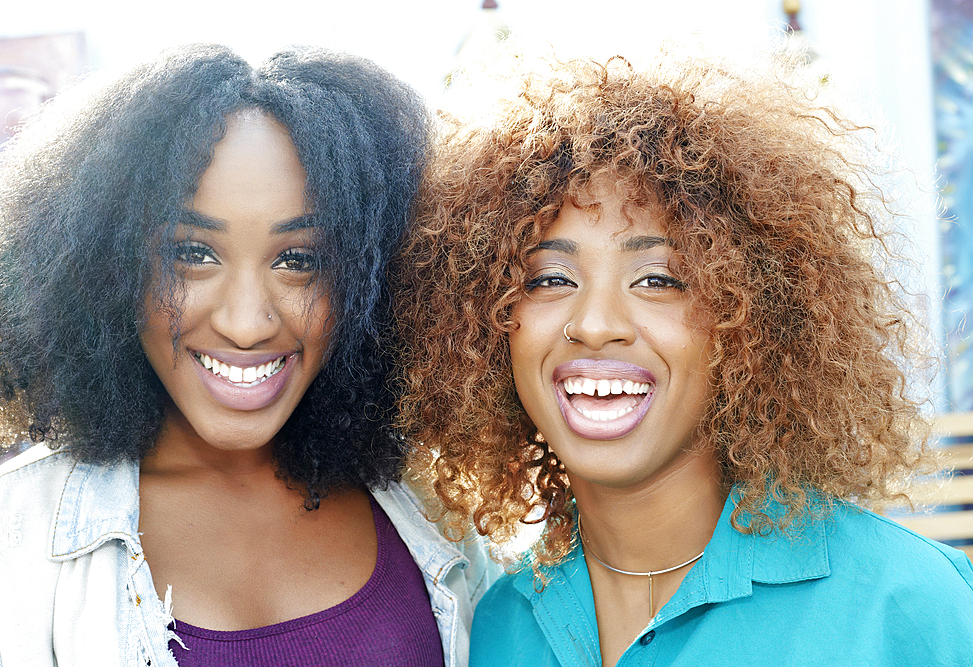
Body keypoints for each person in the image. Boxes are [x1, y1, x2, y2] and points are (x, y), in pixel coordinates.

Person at [393, 53, 973, 666]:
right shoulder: (496, 629)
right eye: (550, 279)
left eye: (659, 280)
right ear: (486, 321)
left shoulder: (906, 607)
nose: (595, 325)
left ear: (752, 318)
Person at [0, 44, 494, 667]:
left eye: (299, 261)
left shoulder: (441, 508)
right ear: (103, 267)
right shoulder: (0, 543)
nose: (246, 324)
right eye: (192, 254)